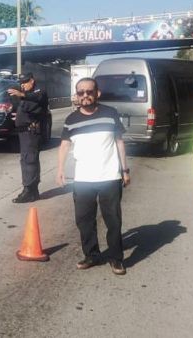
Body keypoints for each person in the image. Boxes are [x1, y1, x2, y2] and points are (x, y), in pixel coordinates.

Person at [56, 77, 130, 275]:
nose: (85, 96)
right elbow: (64, 145)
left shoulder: (110, 114)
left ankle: (116, 258)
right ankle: (92, 255)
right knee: (84, 220)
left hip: (109, 176)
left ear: (97, 93)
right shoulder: (71, 119)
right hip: (83, 179)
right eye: (81, 92)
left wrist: (125, 170)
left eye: (89, 92)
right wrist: (60, 169)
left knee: (113, 220)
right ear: (76, 95)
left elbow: (119, 142)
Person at [7, 72, 49, 203]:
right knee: (26, 160)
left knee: (29, 160)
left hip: (31, 132)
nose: (22, 85)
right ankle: (32, 191)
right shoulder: (27, 97)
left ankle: (29, 190)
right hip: (24, 133)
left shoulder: (39, 91)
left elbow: (38, 98)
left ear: (32, 80)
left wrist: (22, 95)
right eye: (21, 83)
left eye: (25, 82)